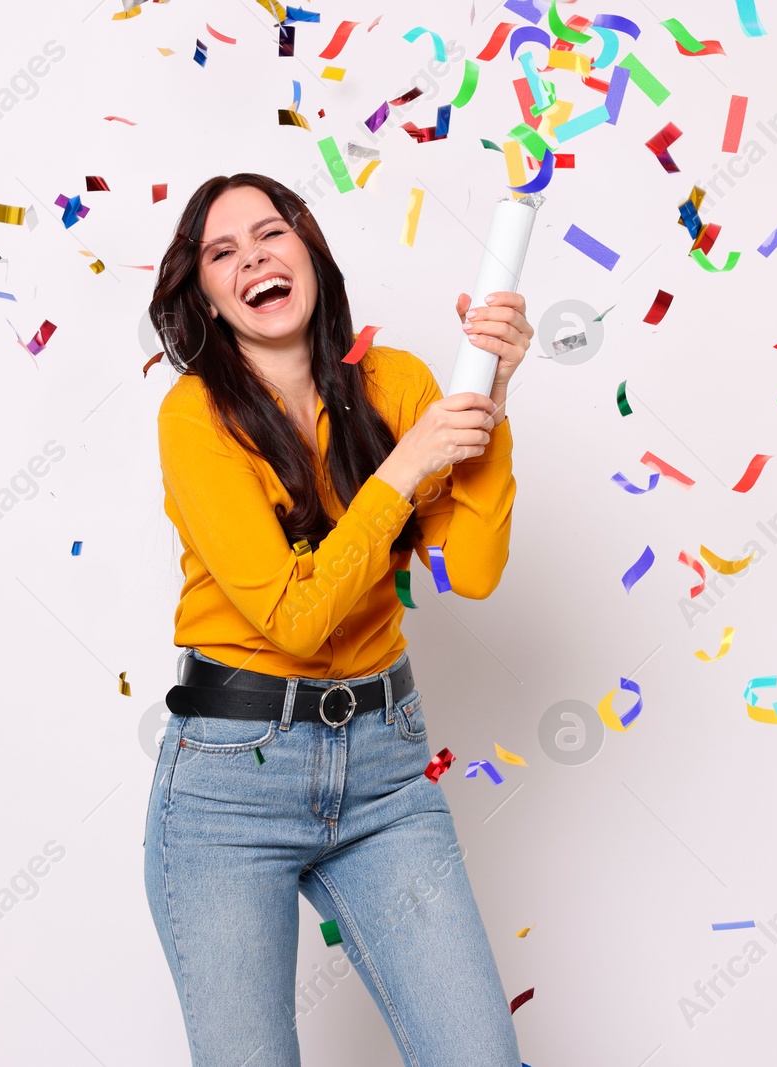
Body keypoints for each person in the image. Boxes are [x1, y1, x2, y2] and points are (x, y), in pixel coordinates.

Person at [142, 172, 533, 1067]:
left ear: (310, 250)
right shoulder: (194, 418)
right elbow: (293, 617)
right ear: (203, 293)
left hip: (386, 768)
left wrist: (491, 400)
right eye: (222, 252)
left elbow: (470, 571)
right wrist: (405, 471)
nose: (253, 260)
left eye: (270, 234)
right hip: (230, 783)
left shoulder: (396, 382)